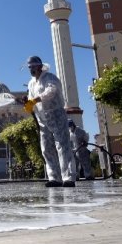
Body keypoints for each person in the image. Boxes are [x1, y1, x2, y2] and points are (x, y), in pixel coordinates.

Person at [24, 55, 76, 187]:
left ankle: (68, 178)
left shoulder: (50, 78)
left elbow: (51, 91)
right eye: (29, 67)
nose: (31, 69)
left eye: (33, 66)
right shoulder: (31, 83)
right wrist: (29, 104)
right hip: (42, 118)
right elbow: (31, 98)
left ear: (40, 66)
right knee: (46, 148)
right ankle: (54, 178)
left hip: (56, 114)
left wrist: (36, 100)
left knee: (62, 145)